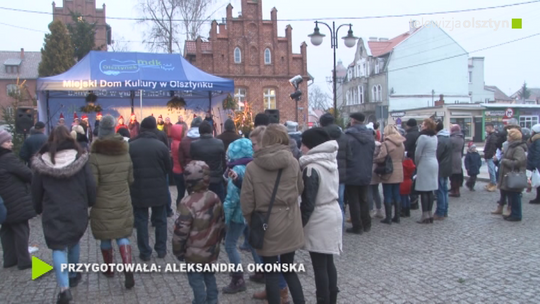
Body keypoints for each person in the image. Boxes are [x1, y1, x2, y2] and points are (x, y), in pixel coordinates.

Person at [240, 124, 305, 304]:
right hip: (290, 221)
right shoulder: (293, 161)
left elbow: (246, 201)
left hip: (266, 224)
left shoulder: (253, 167)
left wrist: (252, 220)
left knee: (271, 273)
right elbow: (300, 189)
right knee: (289, 269)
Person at [31, 126, 96, 303]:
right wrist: (90, 202)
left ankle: (64, 288)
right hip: (76, 207)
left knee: (58, 247)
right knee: (74, 241)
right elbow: (90, 184)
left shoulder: (41, 161)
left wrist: (37, 208)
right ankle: (74, 274)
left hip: (53, 209)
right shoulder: (80, 157)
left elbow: (36, 190)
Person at [229, 126, 291, 304]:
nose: (252, 147)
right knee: (270, 258)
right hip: (273, 215)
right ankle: (276, 289)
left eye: (254, 143)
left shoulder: (261, 165)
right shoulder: (260, 164)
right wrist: (239, 181)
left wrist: (250, 218)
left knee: (272, 258)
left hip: (267, 216)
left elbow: (256, 194)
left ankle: (280, 291)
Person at [88, 115, 135, 289]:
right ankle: (128, 268)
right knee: (122, 235)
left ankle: (109, 269)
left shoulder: (94, 155)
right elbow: (130, 178)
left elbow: (93, 183)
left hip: (102, 200)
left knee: (106, 235)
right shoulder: (125, 150)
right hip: (122, 197)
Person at [299, 128, 342, 304]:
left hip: (320, 217)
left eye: (303, 144)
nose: (301, 147)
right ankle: (332, 299)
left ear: (311, 146)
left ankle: (323, 300)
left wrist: (299, 224)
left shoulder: (311, 168)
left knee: (319, 266)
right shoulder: (330, 162)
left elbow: (308, 202)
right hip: (332, 212)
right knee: (328, 261)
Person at [173, 161, 224, 304]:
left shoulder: (186, 203)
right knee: (209, 276)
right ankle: (213, 300)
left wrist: (177, 251)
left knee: (196, 280)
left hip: (193, 253)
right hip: (211, 249)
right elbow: (221, 222)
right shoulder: (214, 197)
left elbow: (180, 231)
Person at [129, 116, 171, 261]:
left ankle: (145, 251)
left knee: (141, 220)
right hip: (158, 188)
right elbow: (168, 168)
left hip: (138, 188)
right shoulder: (161, 146)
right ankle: (161, 249)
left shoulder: (131, 145)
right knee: (160, 220)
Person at [222, 138, 260, 294]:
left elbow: (231, 198)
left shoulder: (236, 170)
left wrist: (225, 218)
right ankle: (262, 270)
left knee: (230, 244)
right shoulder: (254, 166)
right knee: (253, 243)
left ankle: (238, 279)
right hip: (251, 212)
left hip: (238, 214)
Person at [0, 130, 35, 270]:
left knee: (7, 229)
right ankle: (24, 260)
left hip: (4, 199)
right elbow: (27, 173)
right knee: (21, 228)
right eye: (7, 141)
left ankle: (9, 259)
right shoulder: (8, 158)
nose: (11, 143)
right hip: (15, 198)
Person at [344, 112, 375, 234]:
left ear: (353, 121)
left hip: (351, 171)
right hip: (366, 171)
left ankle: (357, 226)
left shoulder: (348, 136)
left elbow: (346, 155)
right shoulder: (370, 136)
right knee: (364, 199)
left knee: (353, 200)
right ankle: (366, 224)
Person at [319, 113, 350, 229]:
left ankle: (327, 228)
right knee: (339, 203)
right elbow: (349, 155)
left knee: (325, 202)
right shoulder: (344, 136)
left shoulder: (321, 135)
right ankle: (339, 228)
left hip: (325, 171)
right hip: (341, 174)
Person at [374, 125, 405, 224]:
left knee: (387, 193)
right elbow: (403, 157)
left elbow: (382, 157)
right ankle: (397, 216)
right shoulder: (401, 143)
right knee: (396, 194)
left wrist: (375, 160)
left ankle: (388, 218)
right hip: (399, 169)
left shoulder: (386, 144)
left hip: (388, 170)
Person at [190, 121, 226, 203]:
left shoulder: (194, 145)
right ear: (211, 131)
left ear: (199, 131)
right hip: (217, 179)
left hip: (201, 180)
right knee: (219, 203)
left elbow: (193, 161)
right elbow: (224, 162)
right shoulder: (219, 143)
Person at [498, 129, 527, 222]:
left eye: (509, 135)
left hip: (514, 176)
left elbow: (518, 162)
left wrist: (505, 161)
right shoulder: (512, 146)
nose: (507, 137)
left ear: (513, 137)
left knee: (515, 196)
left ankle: (516, 214)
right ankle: (513, 213)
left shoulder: (518, 148)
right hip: (509, 175)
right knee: (511, 195)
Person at [414, 118, 439, 224]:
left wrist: (417, 164)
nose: (422, 126)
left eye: (423, 124)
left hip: (425, 163)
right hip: (434, 162)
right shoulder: (435, 137)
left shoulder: (423, 137)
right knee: (430, 190)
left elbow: (417, 153)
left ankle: (424, 215)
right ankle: (429, 213)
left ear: (427, 126)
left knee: (424, 190)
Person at [434, 120, 452, 220]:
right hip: (447, 166)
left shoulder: (440, 139)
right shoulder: (448, 137)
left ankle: (440, 212)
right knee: (444, 190)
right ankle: (444, 210)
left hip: (441, 167)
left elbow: (437, 154)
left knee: (440, 190)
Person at [367, 125, 383, 219]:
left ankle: (370, 210)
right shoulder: (379, 144)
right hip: (377, 168)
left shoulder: (367, 145)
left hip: (369, 167)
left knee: (369, 191)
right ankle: (379, 209)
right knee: (376, 190)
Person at [404, 118, 420, 209]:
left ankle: (413, 200)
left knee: (411, 181)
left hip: (410, 160)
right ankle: (415, 200)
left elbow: (406, 147)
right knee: (415, 181)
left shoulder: (410, 135)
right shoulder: (419, 134)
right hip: (416, 160)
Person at [171, 123, 187, 206]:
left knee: (180, 192)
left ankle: (178, 207)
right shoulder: (179, 144)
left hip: (175, 170)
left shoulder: (174, 142)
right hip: (181, 171)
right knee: (182, 193)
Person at [449, 124, 465, 198]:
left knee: (453, 176)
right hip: (458, 157)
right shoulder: (461, 138)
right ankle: (456, 190)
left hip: (452, 157)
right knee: (457, 175)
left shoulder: (452, 139)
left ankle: (454, 191)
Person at [527, 124, 540, 204]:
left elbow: (537, 153)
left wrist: (534, 165)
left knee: (538, 182)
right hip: (537, 163)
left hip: (538, 164)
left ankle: (538, 198)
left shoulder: (538, 140)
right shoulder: (536, 140)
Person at [484, 123, 499, 192]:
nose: (486, 130)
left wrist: (489, 155)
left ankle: (494, 183)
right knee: (490, 170)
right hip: (489, 155)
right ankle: (491, 182)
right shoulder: (490, 135)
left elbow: (492, 147)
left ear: (490, 128)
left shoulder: (493, 136)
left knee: (492, 170)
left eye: (486, 128)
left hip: (490, 156)